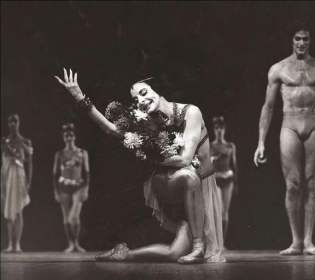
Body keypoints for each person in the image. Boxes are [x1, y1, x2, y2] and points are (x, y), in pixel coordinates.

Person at [55, 69, 225, 263]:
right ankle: (197, 246)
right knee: (188, 177)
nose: (141, 101)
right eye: (136, 101)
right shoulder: (146, 126)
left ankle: (125, 253)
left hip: (200, 189)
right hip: (173, 184)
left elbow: (185, 159)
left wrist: (151, 156)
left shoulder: (190, 112)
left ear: (157, 91)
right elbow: (110, 129)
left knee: (175, 253)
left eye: (143, 93)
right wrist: (80, 98)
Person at [253, 22, 315, 255]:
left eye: (305, 39)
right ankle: (295, 241)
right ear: (291, 41)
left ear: (310, 41)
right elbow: (268, 106)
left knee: (311, 182)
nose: (301, 43)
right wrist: (261, 141)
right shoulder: (278, 69)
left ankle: (309, 241)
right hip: (290, 125)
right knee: (293, 184)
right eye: (297, 39)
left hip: (314, 125)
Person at [53, 123, 90, 253]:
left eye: (71, 135)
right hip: (63, 186)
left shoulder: (82, 153)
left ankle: (77, 243)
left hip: (78, 186)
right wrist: (56, 191)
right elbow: (55, 174)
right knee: (66, 217)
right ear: (63, 138)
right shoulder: (59, 154)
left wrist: (86, 189)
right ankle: (72, 244)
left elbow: (86, 173)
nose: (69, 138)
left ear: (74, 137)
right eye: (66, 136)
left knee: (73, 217)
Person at [1, 114, 33, 252]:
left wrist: (29, 182)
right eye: (10, 121)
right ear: (8, 123)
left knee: (18, 210)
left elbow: (30, 164)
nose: (13, 123)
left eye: (15, 121)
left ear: (19, 123)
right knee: (8, 211)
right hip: (7, 176)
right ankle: (9, 244)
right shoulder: (4, 142)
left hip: (20, 176)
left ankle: (17, 244)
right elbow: (2, 164)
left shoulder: (25, 141)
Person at [210, 116, 238, 246]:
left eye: (221, 128)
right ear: (214, 130)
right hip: (216, 179)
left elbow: (234, 165)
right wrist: (215, 158)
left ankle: (222, 244)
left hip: (228, 179)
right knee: (219, 211)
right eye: (217, 128)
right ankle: (216, 242)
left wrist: (236, 182)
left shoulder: (230, 146)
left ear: (224, 129)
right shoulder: (210, 146)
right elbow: (206, 163)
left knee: (225, 213)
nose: (219, 130)